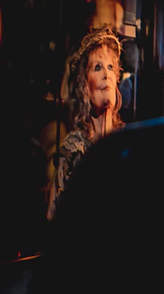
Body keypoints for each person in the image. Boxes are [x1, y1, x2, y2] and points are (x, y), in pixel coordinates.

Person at [48, 27, 126, 215]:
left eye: (110, 68)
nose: (106, 75)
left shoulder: (127, 143)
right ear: (85, 87)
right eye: (97, 67)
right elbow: (52, 216)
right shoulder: (72, 151)